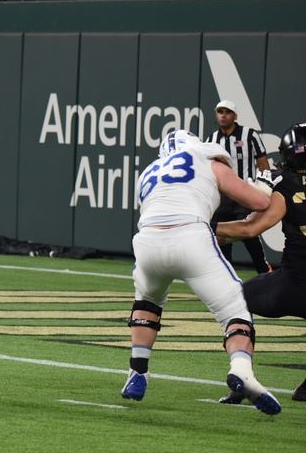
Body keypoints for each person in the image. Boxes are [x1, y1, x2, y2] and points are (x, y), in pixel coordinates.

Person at [120, 129, 281, 415]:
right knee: (235, 310)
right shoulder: (206, 159)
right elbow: (259, 202)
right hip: (191, 236)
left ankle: (137, 372)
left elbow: (153, 207)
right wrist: (264, 184)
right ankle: (242, 370)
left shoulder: (149, 171)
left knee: (147, 302)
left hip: (147, 243)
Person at [215, 123, 306, 404]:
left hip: (292, 285)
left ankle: (242, 376)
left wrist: (204, 226)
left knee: (236, 303)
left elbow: (250, 229)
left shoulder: (286, 183)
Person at [207, 99, 271, 273]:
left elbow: (263, 163)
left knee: (249, 232)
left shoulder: (249, 135)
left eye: (227, 112)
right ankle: (226, 275)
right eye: (220, 112)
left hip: (244, 192)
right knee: (221, 236)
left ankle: (264, 271)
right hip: (222, 196)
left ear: (235, 116)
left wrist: (265, 187)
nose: (223, 115)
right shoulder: (211, 140)